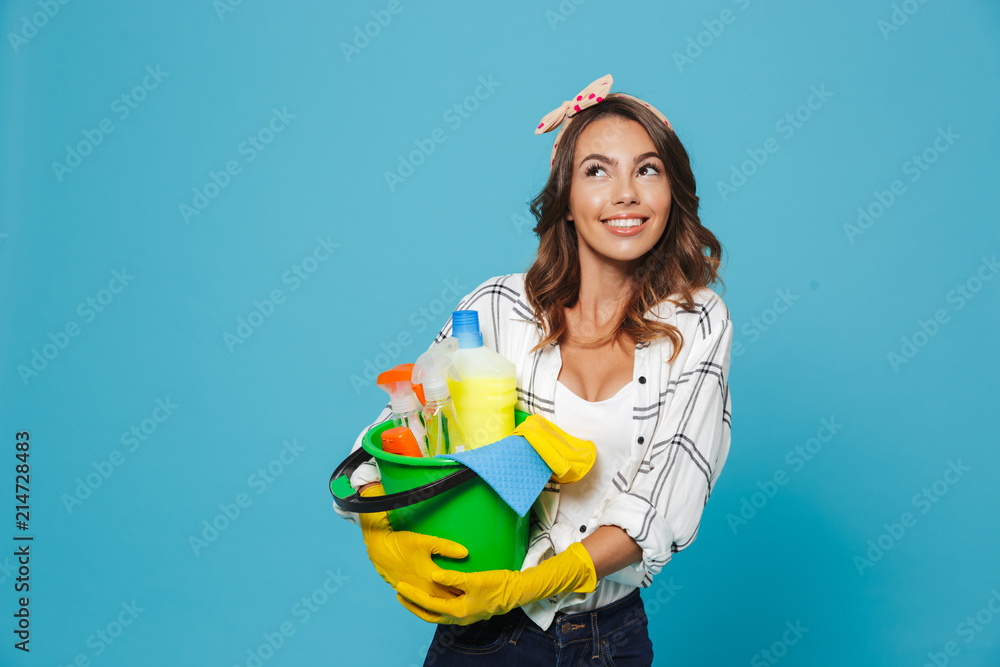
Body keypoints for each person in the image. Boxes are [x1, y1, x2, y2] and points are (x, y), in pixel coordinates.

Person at [333, 74, 733, 666]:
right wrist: (381, 533)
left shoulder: (698, 322)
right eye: (597, 171)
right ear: (565, 200)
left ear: (672, 192)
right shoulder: (496, 309)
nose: (625, 193)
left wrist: (535, 583)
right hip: (482, 634)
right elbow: (391, 444)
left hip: (609, 640)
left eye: (647, 169)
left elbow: (662, 500)